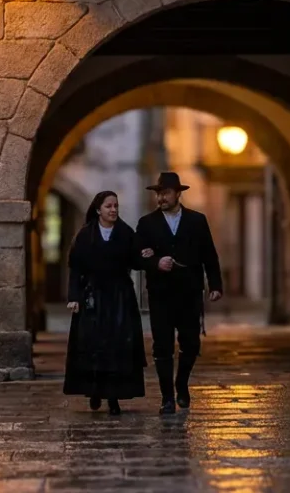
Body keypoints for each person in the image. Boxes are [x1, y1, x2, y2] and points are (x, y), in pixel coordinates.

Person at [136, 172, 224, 415]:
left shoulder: (197, 220)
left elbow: (209, 255)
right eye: (158, 193)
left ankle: (181, 383)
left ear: (177, 194)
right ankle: (166, 398)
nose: (161, 197)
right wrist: (155, 262)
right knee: (162, 346)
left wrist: (215, 285)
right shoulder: (147, 223)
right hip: (160, 294)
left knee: (191, 343)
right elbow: (137, 256)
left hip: (189, 292)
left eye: (165, 193)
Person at [63, 191, 147, 415]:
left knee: (117, 346)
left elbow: (135, 261)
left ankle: (114, 396)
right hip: (93, 298)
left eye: (115, 206)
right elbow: (76, 268)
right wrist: (74, 297)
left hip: (119, 297)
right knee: (93, 346)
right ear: (98, 209)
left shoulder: (125, 233)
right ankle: (94, 391)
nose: (113, 210)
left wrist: (145, 256)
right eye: (109, 206)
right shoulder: (85, 235)